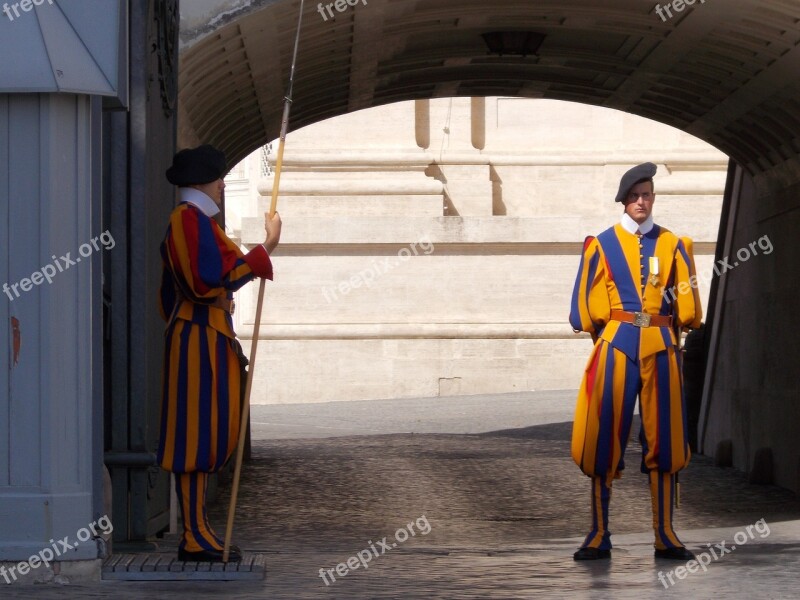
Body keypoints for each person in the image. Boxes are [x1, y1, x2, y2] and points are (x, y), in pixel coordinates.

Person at [569, 162, 702, 561]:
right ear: (624, 202)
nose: (641, 201)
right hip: (617, 344)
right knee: (602, 436)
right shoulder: (602, 243)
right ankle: (598, 533)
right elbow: (584, 310)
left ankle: (665, 534)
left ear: (653, 198)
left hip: (661, 344)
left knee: (665, 438)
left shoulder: (673, 244)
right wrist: (607, 336)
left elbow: (688, 306)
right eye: (634, 196)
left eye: (646, 194)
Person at [157, 144, 282, 562]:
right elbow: (205, 282)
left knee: (208, 434)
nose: (222, 184)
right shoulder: (187, 221)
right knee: (194, 437)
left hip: (206, 335)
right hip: (196, 337)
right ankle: (193, 534)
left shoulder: (198, 222)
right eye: (216, 178)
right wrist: (264, 250)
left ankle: (199, 529)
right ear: (201, 182)